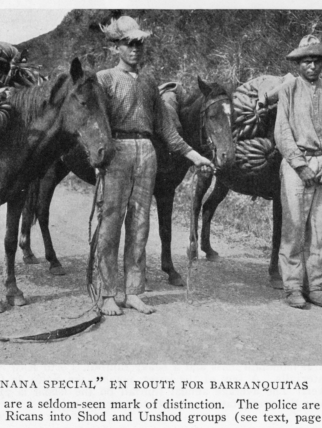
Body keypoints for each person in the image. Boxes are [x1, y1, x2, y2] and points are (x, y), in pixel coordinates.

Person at [96, 16, 214, 316]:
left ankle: (134, 291)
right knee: (110, 224)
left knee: (139, 225)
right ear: (116, 48)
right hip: (117, 151)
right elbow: (97, 123)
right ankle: (109, 293)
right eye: (129, 43)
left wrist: (194, 156)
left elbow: (166, 129)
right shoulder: (104, 79)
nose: (136, 49)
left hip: (147, 151)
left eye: (140, 43)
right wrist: (100, 157)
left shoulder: (149, 82)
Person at [275, 35, 322, 309]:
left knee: (320, 230)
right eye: (307, 61)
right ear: (298, 64)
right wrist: (300, 165)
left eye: (317, 61)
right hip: (298, 165)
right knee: (294, 227)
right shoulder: (289, 89)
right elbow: (282, 131)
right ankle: (292, 287)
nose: (312, 66)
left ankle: (315, 286)